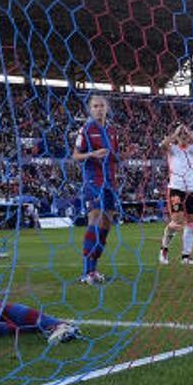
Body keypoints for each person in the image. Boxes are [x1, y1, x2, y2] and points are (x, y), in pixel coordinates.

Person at [72, 95, 120, 285]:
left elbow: (115, 156)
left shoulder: (112, 130)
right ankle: (87, 272)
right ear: (90, 110)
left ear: (107, 108)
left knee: (106, 225)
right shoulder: (86, 129)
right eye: (95, 106)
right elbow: (75, 155)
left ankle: (94, 269)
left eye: (101, 106)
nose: (99, 109)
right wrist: (92, 154)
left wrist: (122, 155)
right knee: (95, 218)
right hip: (93, 181)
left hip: (110, 182)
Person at [159, 124, 193, 265]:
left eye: (185, 135)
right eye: (181, 135)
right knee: (177, 221)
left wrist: (190, 134)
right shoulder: (172, 149)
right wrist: (176, 133)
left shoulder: (192, 149)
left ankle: (186, 257)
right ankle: (164, 249)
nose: (183, 137)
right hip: (176, 188)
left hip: (192, 189)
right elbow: (163, 145)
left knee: (191, 223)